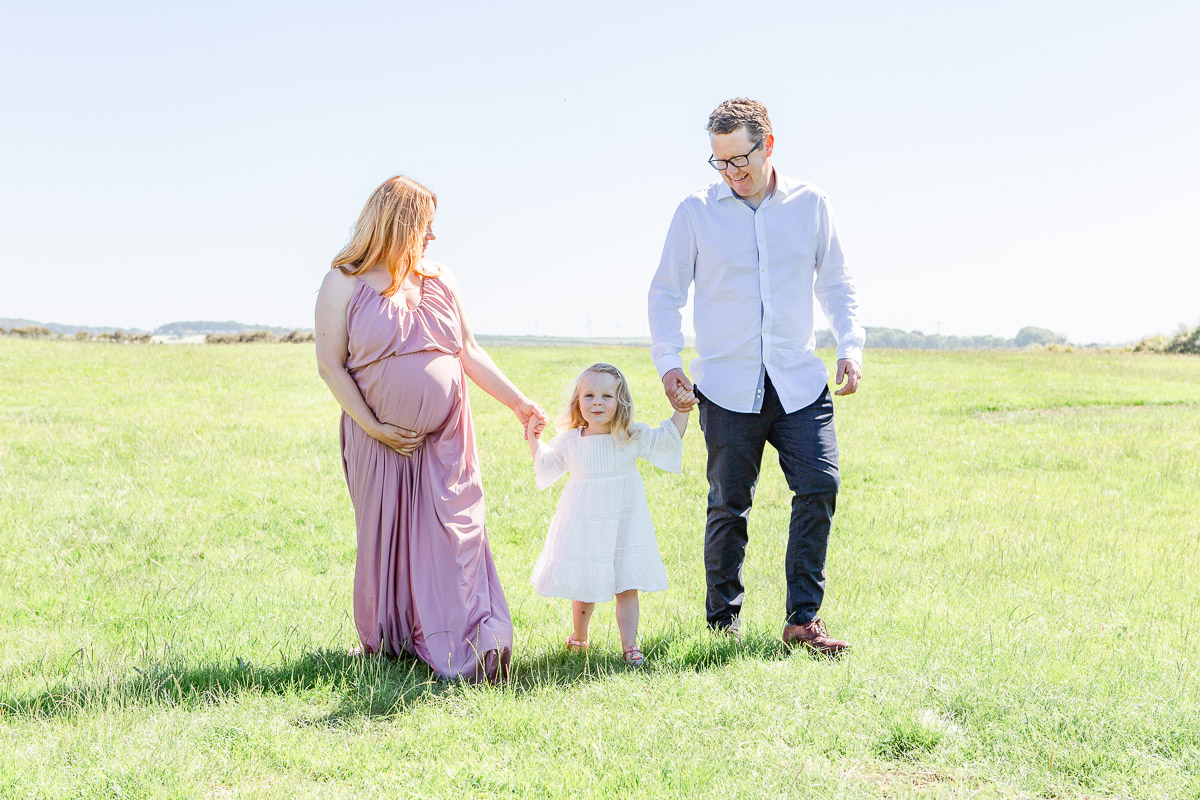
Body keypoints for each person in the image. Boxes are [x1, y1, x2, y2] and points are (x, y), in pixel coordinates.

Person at [647, 98, 864, 656]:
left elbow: (837, 283)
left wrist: (850, 345)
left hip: (798, 380)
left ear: (768, 146)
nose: (731, 172)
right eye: (719, 162)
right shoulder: (695, 212)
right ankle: (722, 624)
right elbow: (667, 294)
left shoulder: (810, 204)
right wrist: (669, 363)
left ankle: (802, 622)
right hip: (724, 384)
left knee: (820, 485)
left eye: (740, 159)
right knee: (728, 503)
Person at [315, 175, 548, 682]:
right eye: (426, 225)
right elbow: (330, 366)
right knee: (386, 539)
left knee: (458, 535)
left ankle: (466, 638)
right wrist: (376, 429)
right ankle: (390, 641)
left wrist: (517, 401)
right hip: (377, 440)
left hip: (447, 439)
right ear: (398, 223)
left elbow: (468, 350)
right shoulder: (344, 281)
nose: (433, 237)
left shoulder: (441, 278)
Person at [525, 363, 694, 667]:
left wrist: (681, 410)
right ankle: (579, 638)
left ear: (621, 402)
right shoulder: (570, 441)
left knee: (626, 584)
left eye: (606, 396)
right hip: (586, 520)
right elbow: (546, 465)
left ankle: (630, 645)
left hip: (624, 521)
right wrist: (533, 438)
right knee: (585, 582)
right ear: (578, 401)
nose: (597, 402)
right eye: (589, 395)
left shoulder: (630, 435)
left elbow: (668, 439)